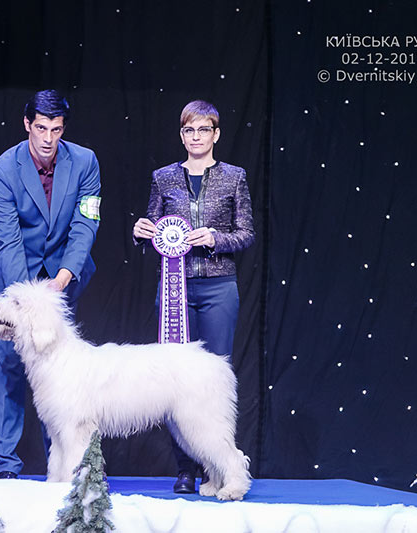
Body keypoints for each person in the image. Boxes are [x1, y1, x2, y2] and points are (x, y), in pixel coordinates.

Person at [132, 99, 254, 493]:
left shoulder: (234, 177)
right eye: (189, 130)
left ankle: (219, 469)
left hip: (219, 288)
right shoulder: (163, 178)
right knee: (173, 380)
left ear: (216, 134)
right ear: (181, 135)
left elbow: (246, 233)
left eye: (203, 130)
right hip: (174, 291)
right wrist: (141, 233)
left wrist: (215, 238)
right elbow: (154, 227)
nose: (196, 137)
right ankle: (185, 468)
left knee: (212, 382)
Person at [0, 90, 101, 478]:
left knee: (60, 371)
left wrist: (64, 277)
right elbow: (9, 239)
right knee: (7, 370)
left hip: (60, 281)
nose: (48, 138)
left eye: (56, 130)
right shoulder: (3, 170)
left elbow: (86, 223)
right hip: (11, 282)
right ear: (27, 124)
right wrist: (29, 301)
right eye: (42, 128)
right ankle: (5, 463)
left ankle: (64, 465)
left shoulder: (85, 162)